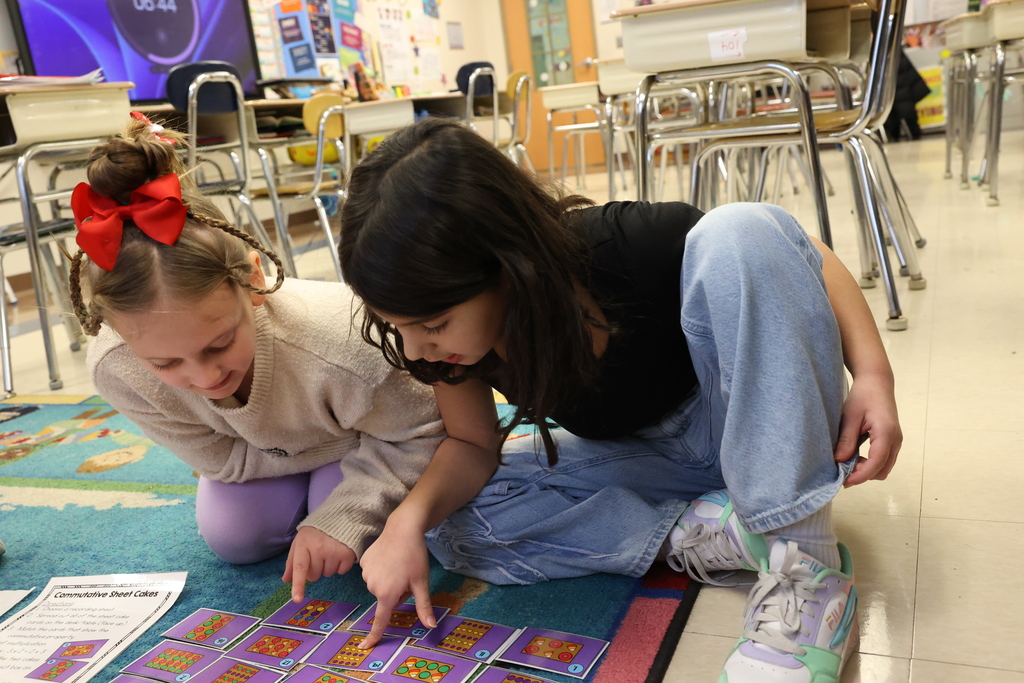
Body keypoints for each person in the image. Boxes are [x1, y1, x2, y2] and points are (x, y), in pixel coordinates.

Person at [338, 119, 902, 682]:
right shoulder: (448, 346)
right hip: (651, 458)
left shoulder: (627, 243)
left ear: (505, 264)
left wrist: (873, 373)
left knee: (740, 229)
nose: (416, 347)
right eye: (400, 326)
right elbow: (470, 443)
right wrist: (406, 524)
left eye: (432, 323)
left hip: (749, 426)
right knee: (443, 523)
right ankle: (707, 530)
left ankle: (808, 571)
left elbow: (797, 252)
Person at [70, 117, 444, 601]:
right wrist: (319, 456)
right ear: (117, 331)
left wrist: (341, 511)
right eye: (165, 364)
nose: (205, 377)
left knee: (352, 534)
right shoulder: (115, 367)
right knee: (233, 540)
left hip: (371, 440)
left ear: (254, 281)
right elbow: (220, 461)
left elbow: (419, 433)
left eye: (220, 343)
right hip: (309, 446)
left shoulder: (346, 345)